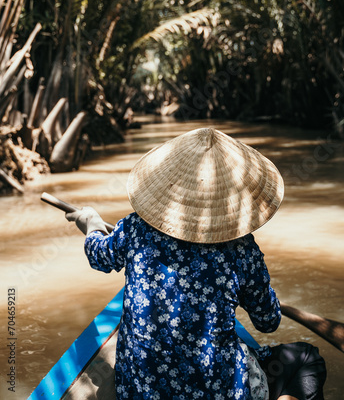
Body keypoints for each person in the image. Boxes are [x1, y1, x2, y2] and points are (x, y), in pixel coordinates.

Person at [67, 127, 326, 400]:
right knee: (308, 357)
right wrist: (264, 296)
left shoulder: (136, 228)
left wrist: (92, 225)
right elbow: (268, 321)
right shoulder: (243, 250)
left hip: (139, 391)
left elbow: (99, 256)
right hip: (213, 393)